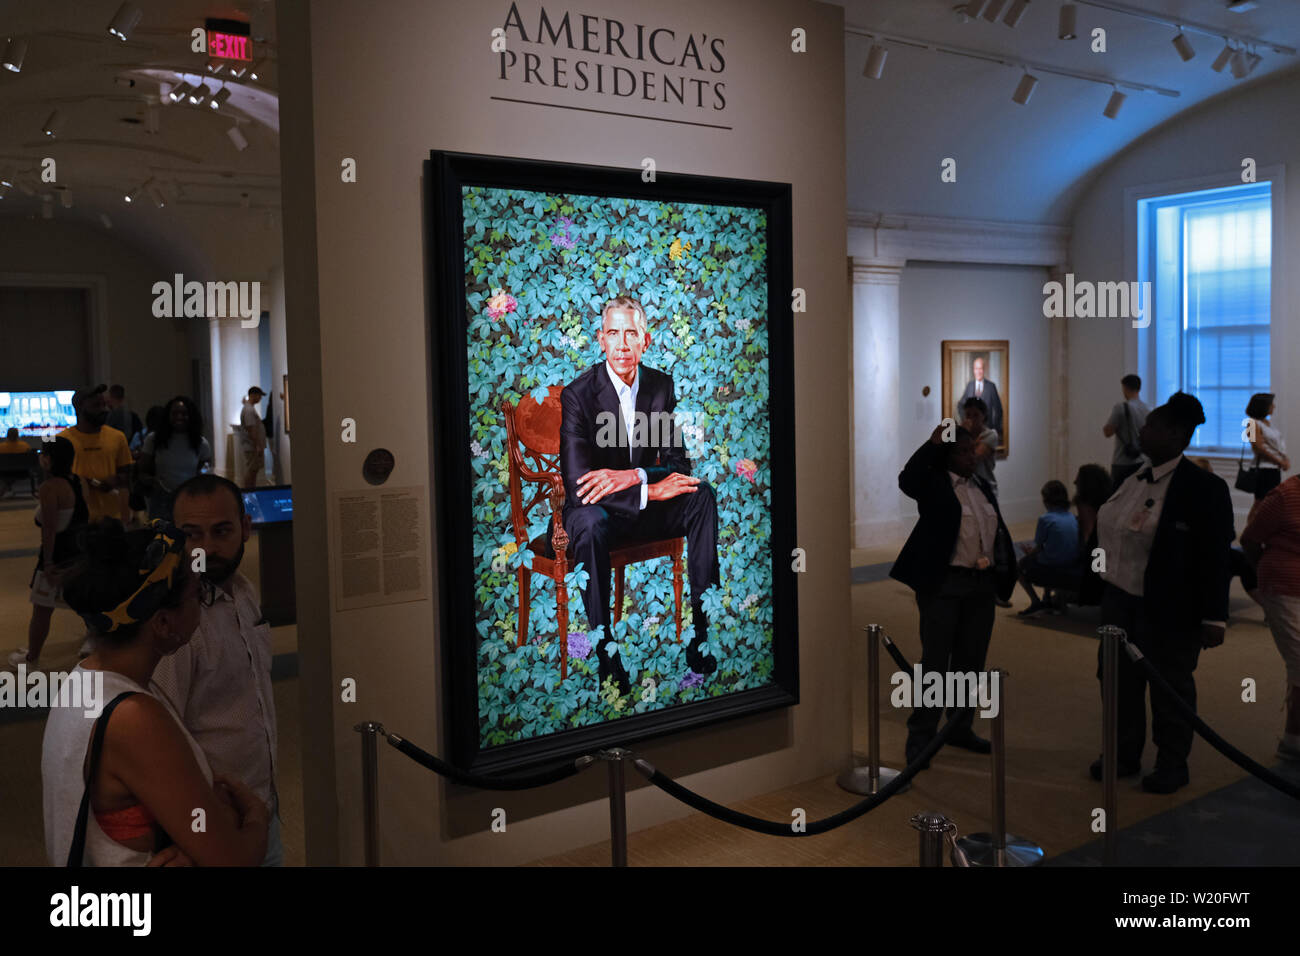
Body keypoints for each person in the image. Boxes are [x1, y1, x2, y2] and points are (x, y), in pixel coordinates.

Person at [45, 519, 269, 865]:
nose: (203, 603)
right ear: (164, 623)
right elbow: (233, 860)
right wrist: (255, 816)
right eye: (198, 594)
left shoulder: (84, 679)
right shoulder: (134, 718)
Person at [559, 296, 719, 697]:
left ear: (645, 340)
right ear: (600, 340)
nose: (623, 344)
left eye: (632, 333)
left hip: (643, 507)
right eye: (613, 333)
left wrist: (635, 476)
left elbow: (679, 465)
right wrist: (646, 489)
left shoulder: (660, 386)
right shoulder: (578, 395)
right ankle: (606, 654)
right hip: (595, 515)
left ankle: (701, 633)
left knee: (701, 495)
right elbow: (581, 486)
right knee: (590, 521)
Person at [1091, 392, 1234, 794]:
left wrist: (1214, 616)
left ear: (1176, 434)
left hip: (1170, 607)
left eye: (1151, 425)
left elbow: (1215, 557)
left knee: (1170, 687)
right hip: (1120, 602)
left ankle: (1172, 763)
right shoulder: (1131, 478)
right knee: (1117, 683)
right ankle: (1123, 753)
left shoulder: (1203, 488)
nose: (1143, 430)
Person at [151, 473, 282, 865]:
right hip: (211, 827)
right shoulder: (177, 626)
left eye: (222, 530)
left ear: (245, 527)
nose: (207, 547)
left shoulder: (244, 591)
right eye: (192, 535)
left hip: (263, 805)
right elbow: (160, 743)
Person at [890, 422, 1017, 769]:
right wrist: (932, 443)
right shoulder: (933, 484)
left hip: (980, 585)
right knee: (935, 665)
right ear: (948, 454)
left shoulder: (982, 488)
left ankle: (960, 727)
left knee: (970, 663)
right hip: (944, 585)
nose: (971, 457)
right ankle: (921, 737)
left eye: (972, 449)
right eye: (962, 451)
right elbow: (908, 478)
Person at [6, 437, 88, 671]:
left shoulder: (50, 488)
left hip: (56, 556)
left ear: (48, 460)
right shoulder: (78, 481)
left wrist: (49, 563)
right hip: (79, 552)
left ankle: (32, 659)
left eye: (43, 453)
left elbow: (50, 530)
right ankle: (95, 644)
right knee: (86, 602)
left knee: (42, 609)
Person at [1241, 473, 1300, 761]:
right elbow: (1250, 540)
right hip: (1282, 588)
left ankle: (1293, 737)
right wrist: (1265, 569)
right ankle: (1293, 742)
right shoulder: (1284, 496)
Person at [58, 385, 132, 524]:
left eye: (104, 405)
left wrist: (115, 480)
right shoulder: (63, 440)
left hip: (113, 518)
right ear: (79, 408)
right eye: (96, 405)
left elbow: (126, 473)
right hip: (77, 519)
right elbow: (61, 481)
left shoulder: (117, 437)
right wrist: (95, 483)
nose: (103, 410)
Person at [139, 396, 213, 522]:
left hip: (190, 499)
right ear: (168, 416)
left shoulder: (201, 443)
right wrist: (153, 482)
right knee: (162, 539)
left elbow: (205, 473)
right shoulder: (154, 439)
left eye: (184, 414)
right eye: (175, 413)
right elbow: (142, 472)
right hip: (161, 500)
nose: (179, 417)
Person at [1017, 480, 1080, 616]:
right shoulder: (1072, 517)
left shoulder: (1045, 519)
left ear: (1046, 500)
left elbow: (1037, 548)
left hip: (1054, 563)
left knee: (1020, 565)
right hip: (1071, 562)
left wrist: (1027, 554)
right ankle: (1047, 596)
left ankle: (1035, 601)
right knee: (1048, 553)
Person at [1072, 464, 1112, 607]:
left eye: (1078, 478)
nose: (1074, 482)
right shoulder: (1108, 498)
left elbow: (1089, 534)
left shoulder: (1084, 503)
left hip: (1097, 551)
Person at [1103, 374, 1149, 487]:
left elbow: (1107, 432)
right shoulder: (1147, 409)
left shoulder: (1120, 407)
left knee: (1118, 498)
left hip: (1122, 461)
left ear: (1125, 388)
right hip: (1142, 460)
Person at [1245, 392, 1289, 503]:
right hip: (1263, 470)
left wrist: (1283, 459)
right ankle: (1253, 521)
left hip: (1273, 469)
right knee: (1260, 504)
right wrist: (1279, 461)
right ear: (1263, 406)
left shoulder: (1267, 423)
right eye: (1271, 404)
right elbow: (1258, 448)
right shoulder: (1252, 423)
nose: (1273, 406)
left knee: (1269, 503)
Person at [960, 397, 999, 498]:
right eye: (968, 415)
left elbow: (975, 457)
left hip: (986, 487)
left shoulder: (990, 435)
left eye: (976, 415)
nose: (971, 419)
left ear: (983, 415)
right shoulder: (961, 435)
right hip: (965, 488)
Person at [959, 357, 1003, 437]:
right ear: (973, 370)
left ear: (984, 370)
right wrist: (965, 420)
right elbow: (960, 405)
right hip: (971, 432)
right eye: (976, 369)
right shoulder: (970, 385)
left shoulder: (991, 386)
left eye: (980, 368)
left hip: (987, 430)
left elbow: (998, 409)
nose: (978, 371)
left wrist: (995, 428)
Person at [238, 387, 267, 490]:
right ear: (254, 395)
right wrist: (258, 445)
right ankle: (249, 492)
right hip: (252, 446)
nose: (260, 398)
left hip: (252, 446)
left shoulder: (248, 408)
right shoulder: (249, 410)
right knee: (252, 471)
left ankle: (251, 491)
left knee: (253, 470)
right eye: (259, 396)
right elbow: (251, 430)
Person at [0, 426, 30, 497]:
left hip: (4, 473)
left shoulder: (1, 447)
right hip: (22, 473)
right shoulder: (25, 446)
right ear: (17, 435)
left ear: (7, 436)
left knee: (9, 471)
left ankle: (6, 489)